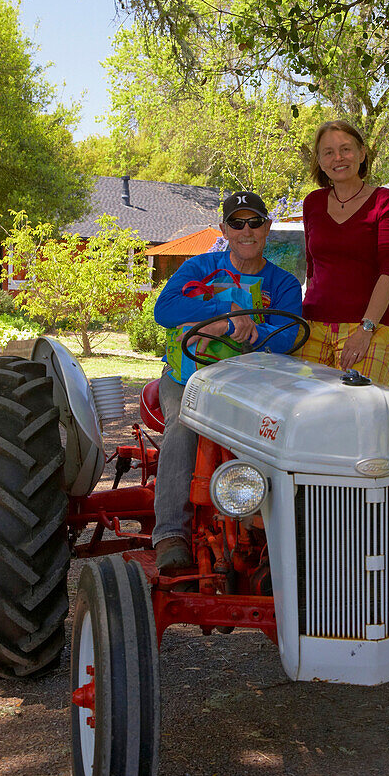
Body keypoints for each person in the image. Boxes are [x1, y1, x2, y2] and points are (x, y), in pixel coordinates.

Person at [151, 190, 302, 569]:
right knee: (183, 424)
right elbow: (165, 310)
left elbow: (289, 337)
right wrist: (226, 312)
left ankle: (276, 535)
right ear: (225, 229)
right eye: (237, 223)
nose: (246, 230)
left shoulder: (281, 283)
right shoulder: (199, 268)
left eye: (254, 222)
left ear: (267, 227)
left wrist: (249, 331)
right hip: (190, 376)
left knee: (280, 431)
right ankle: (171, 534)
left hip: (253, 382)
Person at [299, 120, 389, 386]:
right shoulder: (312, 203)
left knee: (356, 412)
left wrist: (366, 329)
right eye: (328, 152)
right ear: (321, 161)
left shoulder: (385, 201)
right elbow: (312, 270)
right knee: (306, 411)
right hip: (313, 327)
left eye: (346, 149)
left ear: (361, 153)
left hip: (368, 328)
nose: (338, 158)